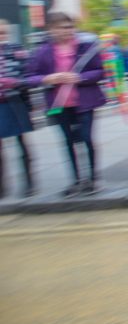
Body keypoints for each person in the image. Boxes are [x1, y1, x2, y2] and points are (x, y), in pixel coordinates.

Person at [25, 12, 107, 197]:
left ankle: (93, 179)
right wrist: (49, 78)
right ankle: (76, 180)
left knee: (86, 138)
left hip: (84, 102)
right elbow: (29, 77)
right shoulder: (42, 51)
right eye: (62, 28)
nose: (67, 31)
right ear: (51, 30)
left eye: (70, 27)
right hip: (58, 104)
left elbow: (100, 71)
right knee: (68, 142)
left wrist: (80, 77)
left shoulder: (86, 47)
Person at [0, 20, 35, 198]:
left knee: (22, 143)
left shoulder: (15, 50)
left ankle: (29, 183)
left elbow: (26, 76)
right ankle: (2, 187)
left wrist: (16, 84)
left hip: (14, 102)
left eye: (2, 33)